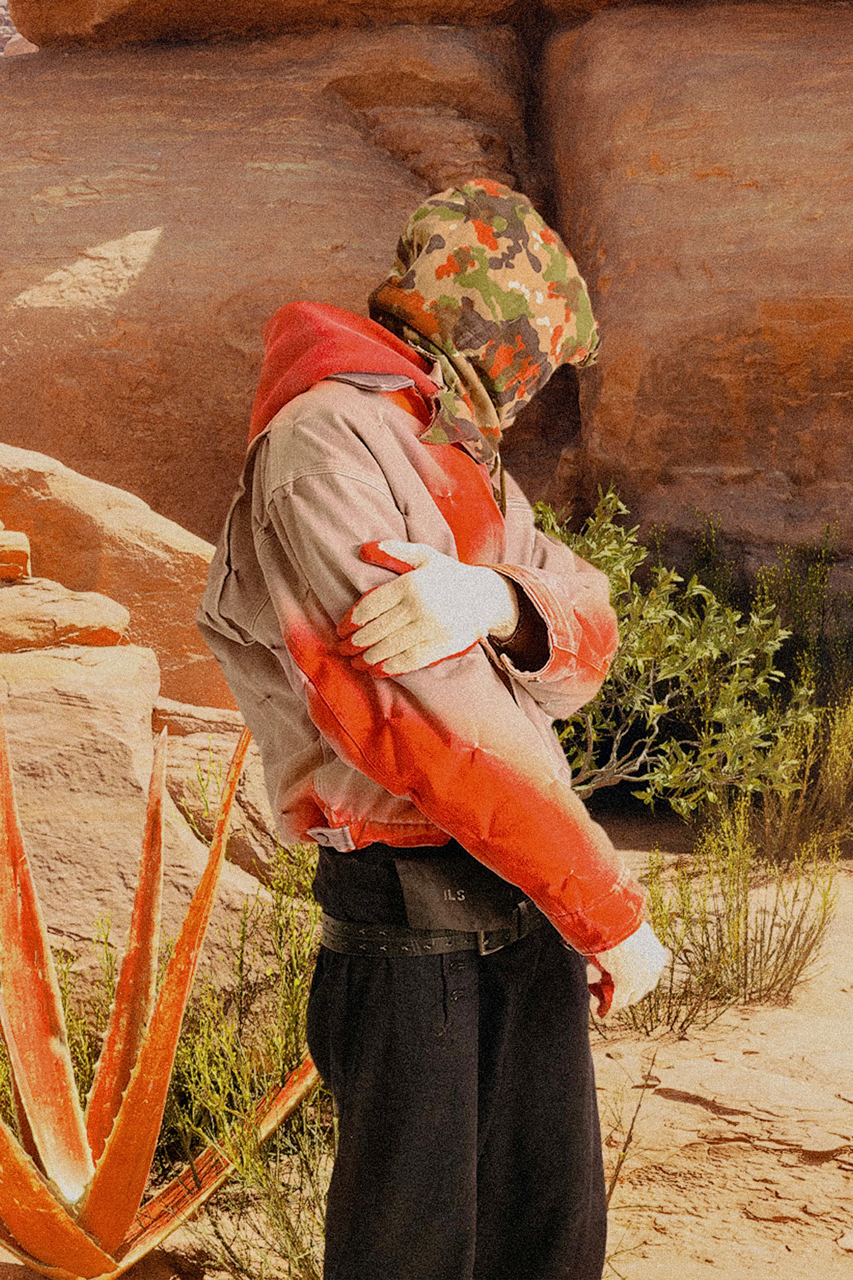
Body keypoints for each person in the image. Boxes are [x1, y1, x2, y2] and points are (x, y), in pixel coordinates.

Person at [197, 180, 667, 1280]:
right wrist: (604, 909)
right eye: (538, 347)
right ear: (491, 318)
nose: (539, 380)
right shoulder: (327, 441)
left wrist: (496, 598)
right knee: (415, 1257)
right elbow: (413, 722)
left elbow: (589, 631)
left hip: (519, 905)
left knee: (547, 1245)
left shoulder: (452, 449)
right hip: (411, 935)